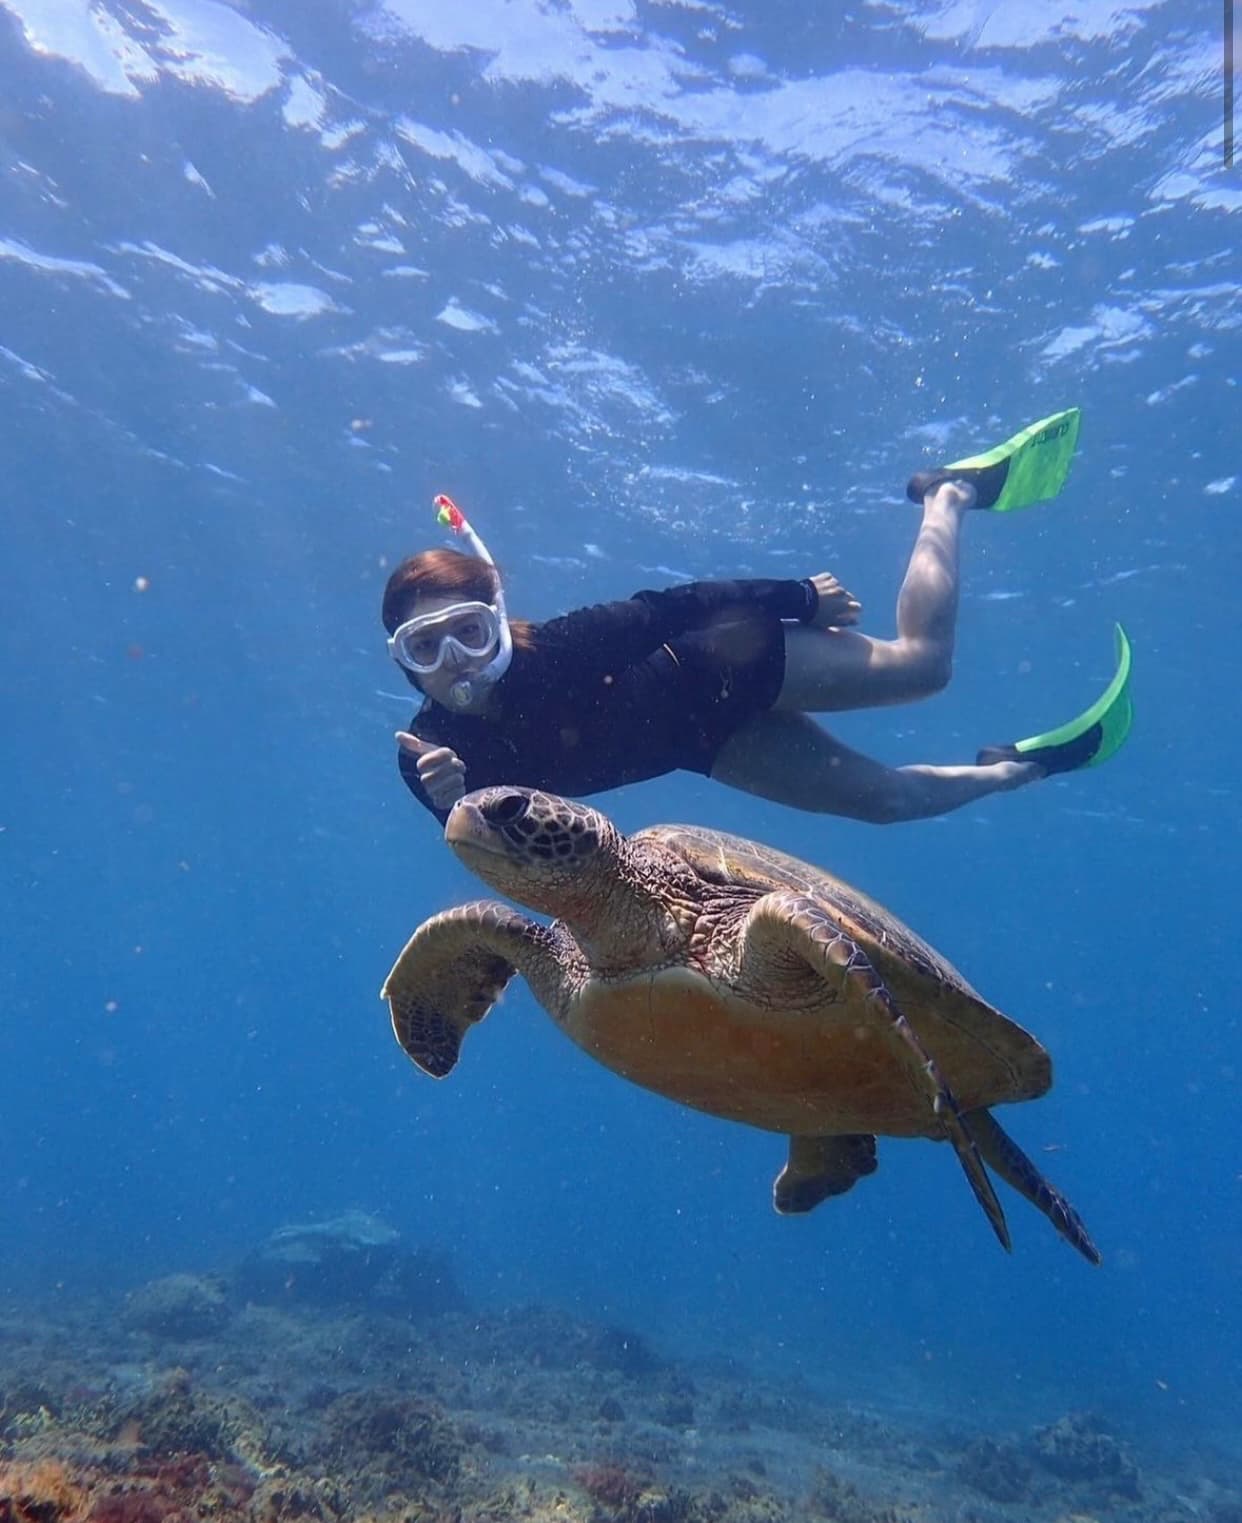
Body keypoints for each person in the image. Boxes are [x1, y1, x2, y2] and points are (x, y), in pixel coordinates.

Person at [384, 411, 1132, 824]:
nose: (456, 659)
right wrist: (448, 799)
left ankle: (949, 494)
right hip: (705, 743)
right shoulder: (431, 752)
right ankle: (1019, 766)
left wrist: (798, 596)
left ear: (498, 618)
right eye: (426, 646)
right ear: (403, 661)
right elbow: (476, 829)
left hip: (722, 658)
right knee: (888, 802)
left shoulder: (562, 648)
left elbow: (676, 605)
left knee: (922, 666)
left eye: (470, 631)